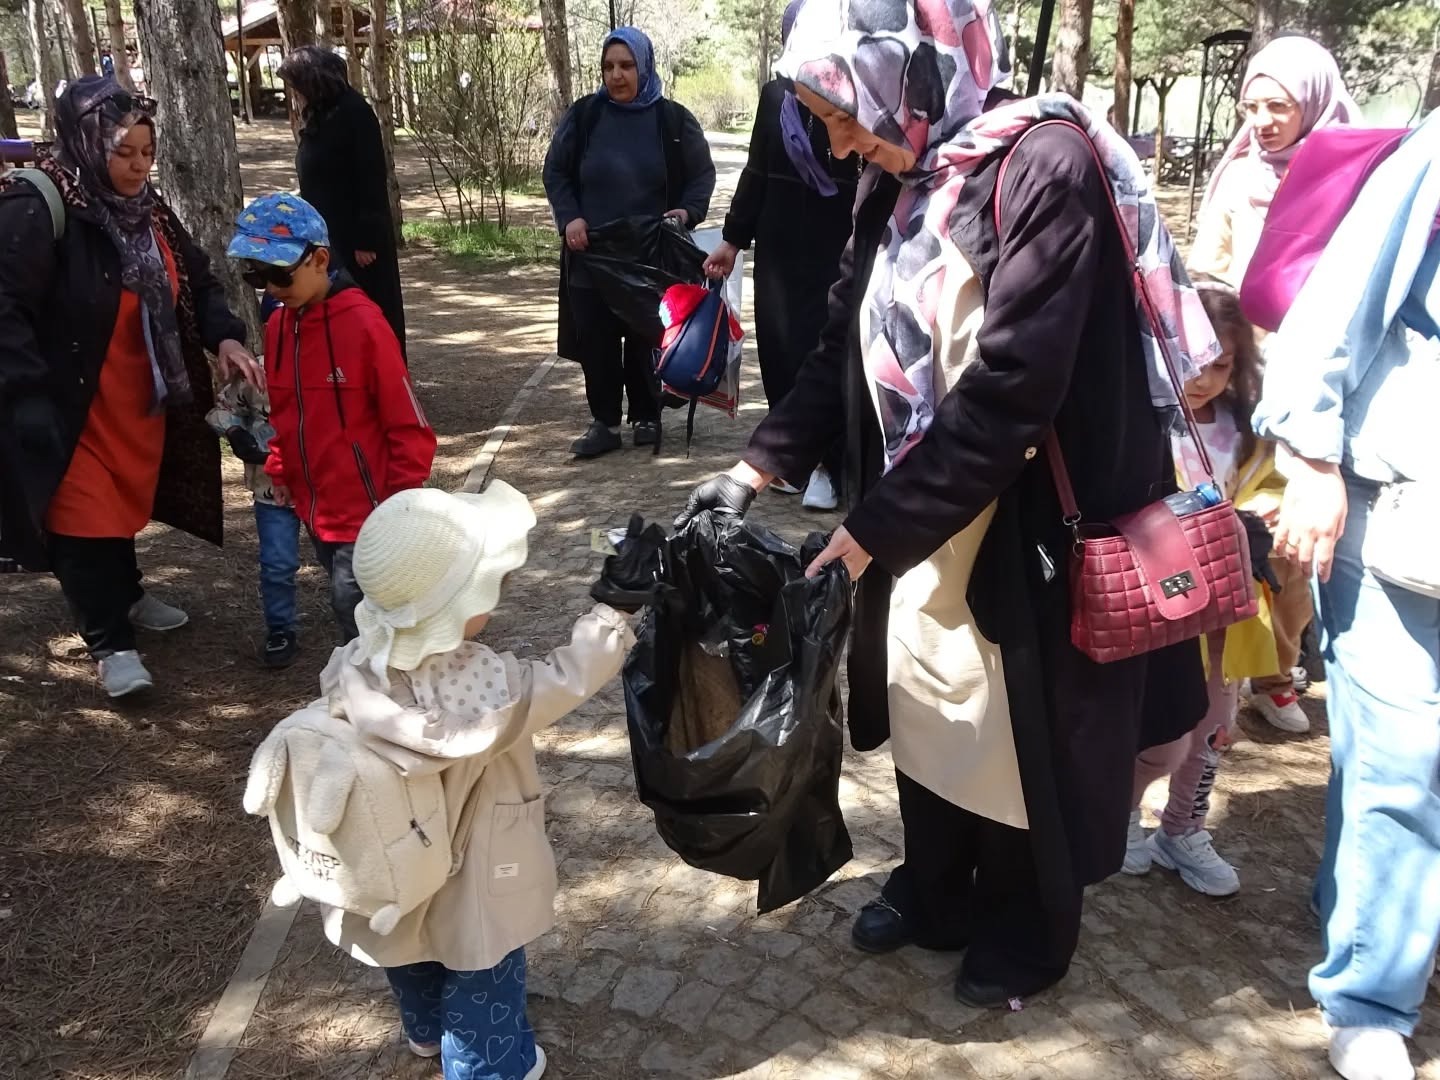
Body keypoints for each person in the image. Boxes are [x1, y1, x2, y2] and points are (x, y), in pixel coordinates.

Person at [677, 0, 1213, 1006]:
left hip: (1026, 517)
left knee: (1018, 734)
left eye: (845, 116)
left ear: (912, 74)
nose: (841, 146)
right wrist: (756, 469)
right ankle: (936, 888)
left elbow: (1013, 392)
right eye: (825, 121)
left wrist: (865, 535)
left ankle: (1029, 925)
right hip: (924, 510)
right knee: (929, 707)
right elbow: (842, 345)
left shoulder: (1046, 166)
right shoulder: (900, 175)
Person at [316, 483, 635, 1079]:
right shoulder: (483, 685)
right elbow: (565, 676)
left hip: (397, 858)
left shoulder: (355, 665)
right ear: (456, 608)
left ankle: (425, 1029)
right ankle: (494, 1067)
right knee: (482, 963)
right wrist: (613, 609)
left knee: (411, 945)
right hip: (476, 864)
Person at [1253, 113, 1440, 1080]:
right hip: (1399, 516)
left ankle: (1369, 913)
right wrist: (1314, 461)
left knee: (1392, 764)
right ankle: (1370, 998)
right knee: (1400, 765)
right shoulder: (1434, 153)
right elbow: (1338, 303)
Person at [0, 76, 262, 698]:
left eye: (147, 152)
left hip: (136, 397)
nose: (139, 166)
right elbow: (5, 308)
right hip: (69, 401)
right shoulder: (35, 207)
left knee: (119, 505)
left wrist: (225, 337)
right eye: (124, 153)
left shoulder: (148, 209)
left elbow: (196, 278)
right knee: (81, 514)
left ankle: (126, 591)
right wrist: (26, 396)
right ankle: (111, 643)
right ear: (88, 143)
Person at [1190, 34, 1356, 736]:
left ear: (1313, 102)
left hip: (1324, 383)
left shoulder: (1351, 176)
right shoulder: (1238, 179)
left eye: (1278, 106)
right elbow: (1209, 271)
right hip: (1246, 381)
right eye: (1250, 107)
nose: (1262, 121)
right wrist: (1227, 353)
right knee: (1250, 526)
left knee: (1302, 536)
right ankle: (1235, 670)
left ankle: (1280, 669)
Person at [1123, 282, 1284, 897]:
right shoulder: (1145, 421)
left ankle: (1183, 829)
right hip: (1166, 606)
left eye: (1221, 367)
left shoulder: (1247, 431)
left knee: (1214, 730)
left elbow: (1273, 489)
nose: (1204, 380)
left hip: (1233, 612)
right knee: (1163, 735)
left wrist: (1257, 517)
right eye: (1191, 363)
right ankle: (1121, 817)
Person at [227, 192, 436, 644]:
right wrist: (280, 469)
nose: (270, 288)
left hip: (370, 510)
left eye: (279, 273)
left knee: (354, 606)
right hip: (315, 506)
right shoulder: (279, 327)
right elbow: (284, 411)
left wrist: (401, 502)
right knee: (352, 605)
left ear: (319, 260)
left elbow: (408, 423)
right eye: (256, 275)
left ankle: (379, 676)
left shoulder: (364, 325)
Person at [701, 0, 859, 511]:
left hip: (838, 243)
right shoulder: (776, 96)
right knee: (781, 349)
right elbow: (756, 171)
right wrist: (732, 239)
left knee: (828, 345)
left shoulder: (856, 96)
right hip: (780, 246)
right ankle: (792, 459)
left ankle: (831, 466)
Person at [542, 28, 716, 458]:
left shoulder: (672, 120)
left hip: (649, 256)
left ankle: (646, 415)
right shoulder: (584, 116)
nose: (616, 75)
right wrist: (570, 217)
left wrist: (686, 212)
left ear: (645, 66)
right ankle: (603, 422)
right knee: (596, 339)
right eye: (608, 66)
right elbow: (556, 171)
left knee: (645, 336)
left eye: (626, 65)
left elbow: (701, 175)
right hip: (591, 253)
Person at [277, 46, 407, 354]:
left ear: (313, 81)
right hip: (328, 233)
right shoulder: (320, 113)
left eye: (297, 85)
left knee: (369, 309)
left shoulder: (355, 112)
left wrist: (367, 239)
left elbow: (371, 177)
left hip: (358, 240)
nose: (295, 93)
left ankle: (383, 371)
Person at [206, 377, 302, 668]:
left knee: (343, 564)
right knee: (277, 565)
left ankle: (358, 625)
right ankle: (280, 628)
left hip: (328, 487)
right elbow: (221, 408)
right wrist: (234, 431)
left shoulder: (332, 368)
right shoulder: (256, 375)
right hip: (270, 488)